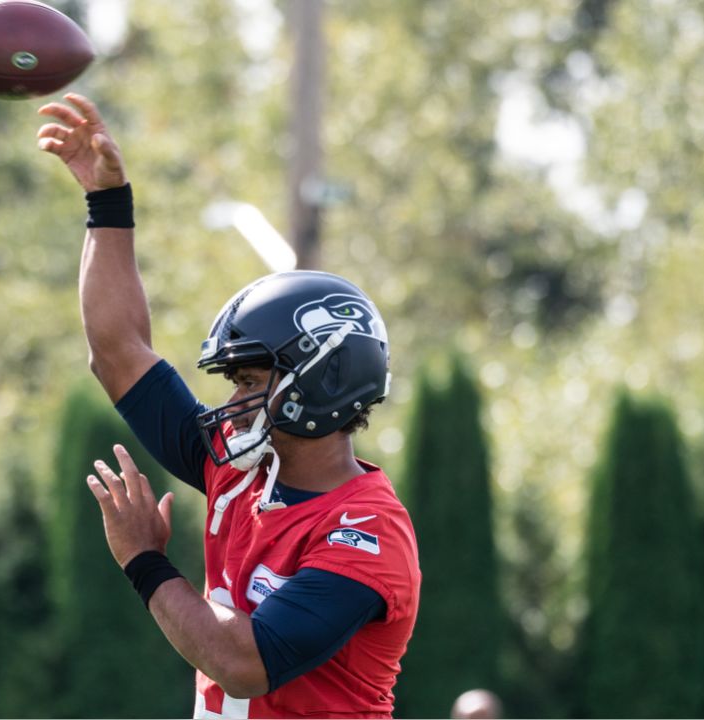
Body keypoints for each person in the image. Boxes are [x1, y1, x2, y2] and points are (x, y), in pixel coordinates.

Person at [37, 93, 421, 719]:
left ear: (319, 382)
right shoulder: (240, 471)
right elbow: (117, 351)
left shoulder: (368, 532)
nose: (234, 401)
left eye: (249, 380)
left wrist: (144, 560)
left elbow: (246, 665)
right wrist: (107, 202)